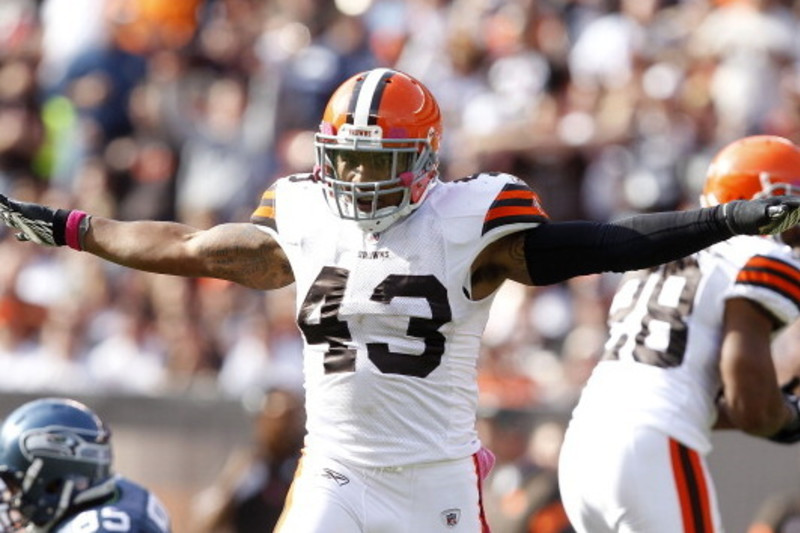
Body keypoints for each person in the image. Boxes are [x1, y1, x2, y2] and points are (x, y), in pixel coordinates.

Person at [0, 69, 800, 532]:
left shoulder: (467, 219)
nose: (356, 179)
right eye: (345, 161)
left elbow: (605, 241)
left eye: (375, 160)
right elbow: (185, 246)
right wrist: (71, 226)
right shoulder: (306, 213)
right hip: (338, 471)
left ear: (423, 157)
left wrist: (723, 221)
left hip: (439, 482)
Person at [557, 134, 800, 533]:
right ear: (766, 200)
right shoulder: (761, 253)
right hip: (653, 444)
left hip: (583, 446)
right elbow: (751, 407)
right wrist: (785, 415)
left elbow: (689, 389)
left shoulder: (668, 252)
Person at [0, 397, 171, 532]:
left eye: (15, 486)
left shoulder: (105, 525)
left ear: (53, 484)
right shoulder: (124, 491)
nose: (12, 498)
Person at [190, 386, 305, 533]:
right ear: (262, 420)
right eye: (278, 420)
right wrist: (233, 491)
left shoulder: (304, 468)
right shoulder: (246, 466)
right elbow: (205, 523)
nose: (284, 428)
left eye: (291, 419)